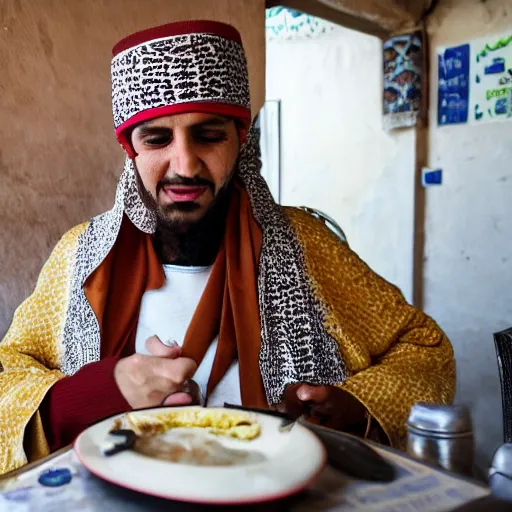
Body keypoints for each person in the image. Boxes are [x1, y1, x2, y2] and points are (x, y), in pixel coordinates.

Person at [0, 20, 455, 474]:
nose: (185, 164)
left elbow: (426, 350)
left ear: (241, 139)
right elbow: (9, 374)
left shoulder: (307, 246)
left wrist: (354, 406)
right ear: (131, 149)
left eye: (209, 135)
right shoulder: (81, 256)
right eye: (157, 138)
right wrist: (96, 393)